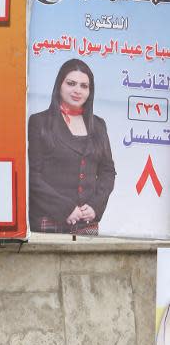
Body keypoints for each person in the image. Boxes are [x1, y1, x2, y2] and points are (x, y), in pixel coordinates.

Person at [28, 58, 115, 234]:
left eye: (84, 86)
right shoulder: (39, 122)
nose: (77, 90)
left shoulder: (98, 125)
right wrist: (65, 208)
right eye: (71, 83)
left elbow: (107, 171)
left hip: (87, 223)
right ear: (59, 85)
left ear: (90, 91)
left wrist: (95, 206)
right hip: (49, 220)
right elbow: (33, 176)